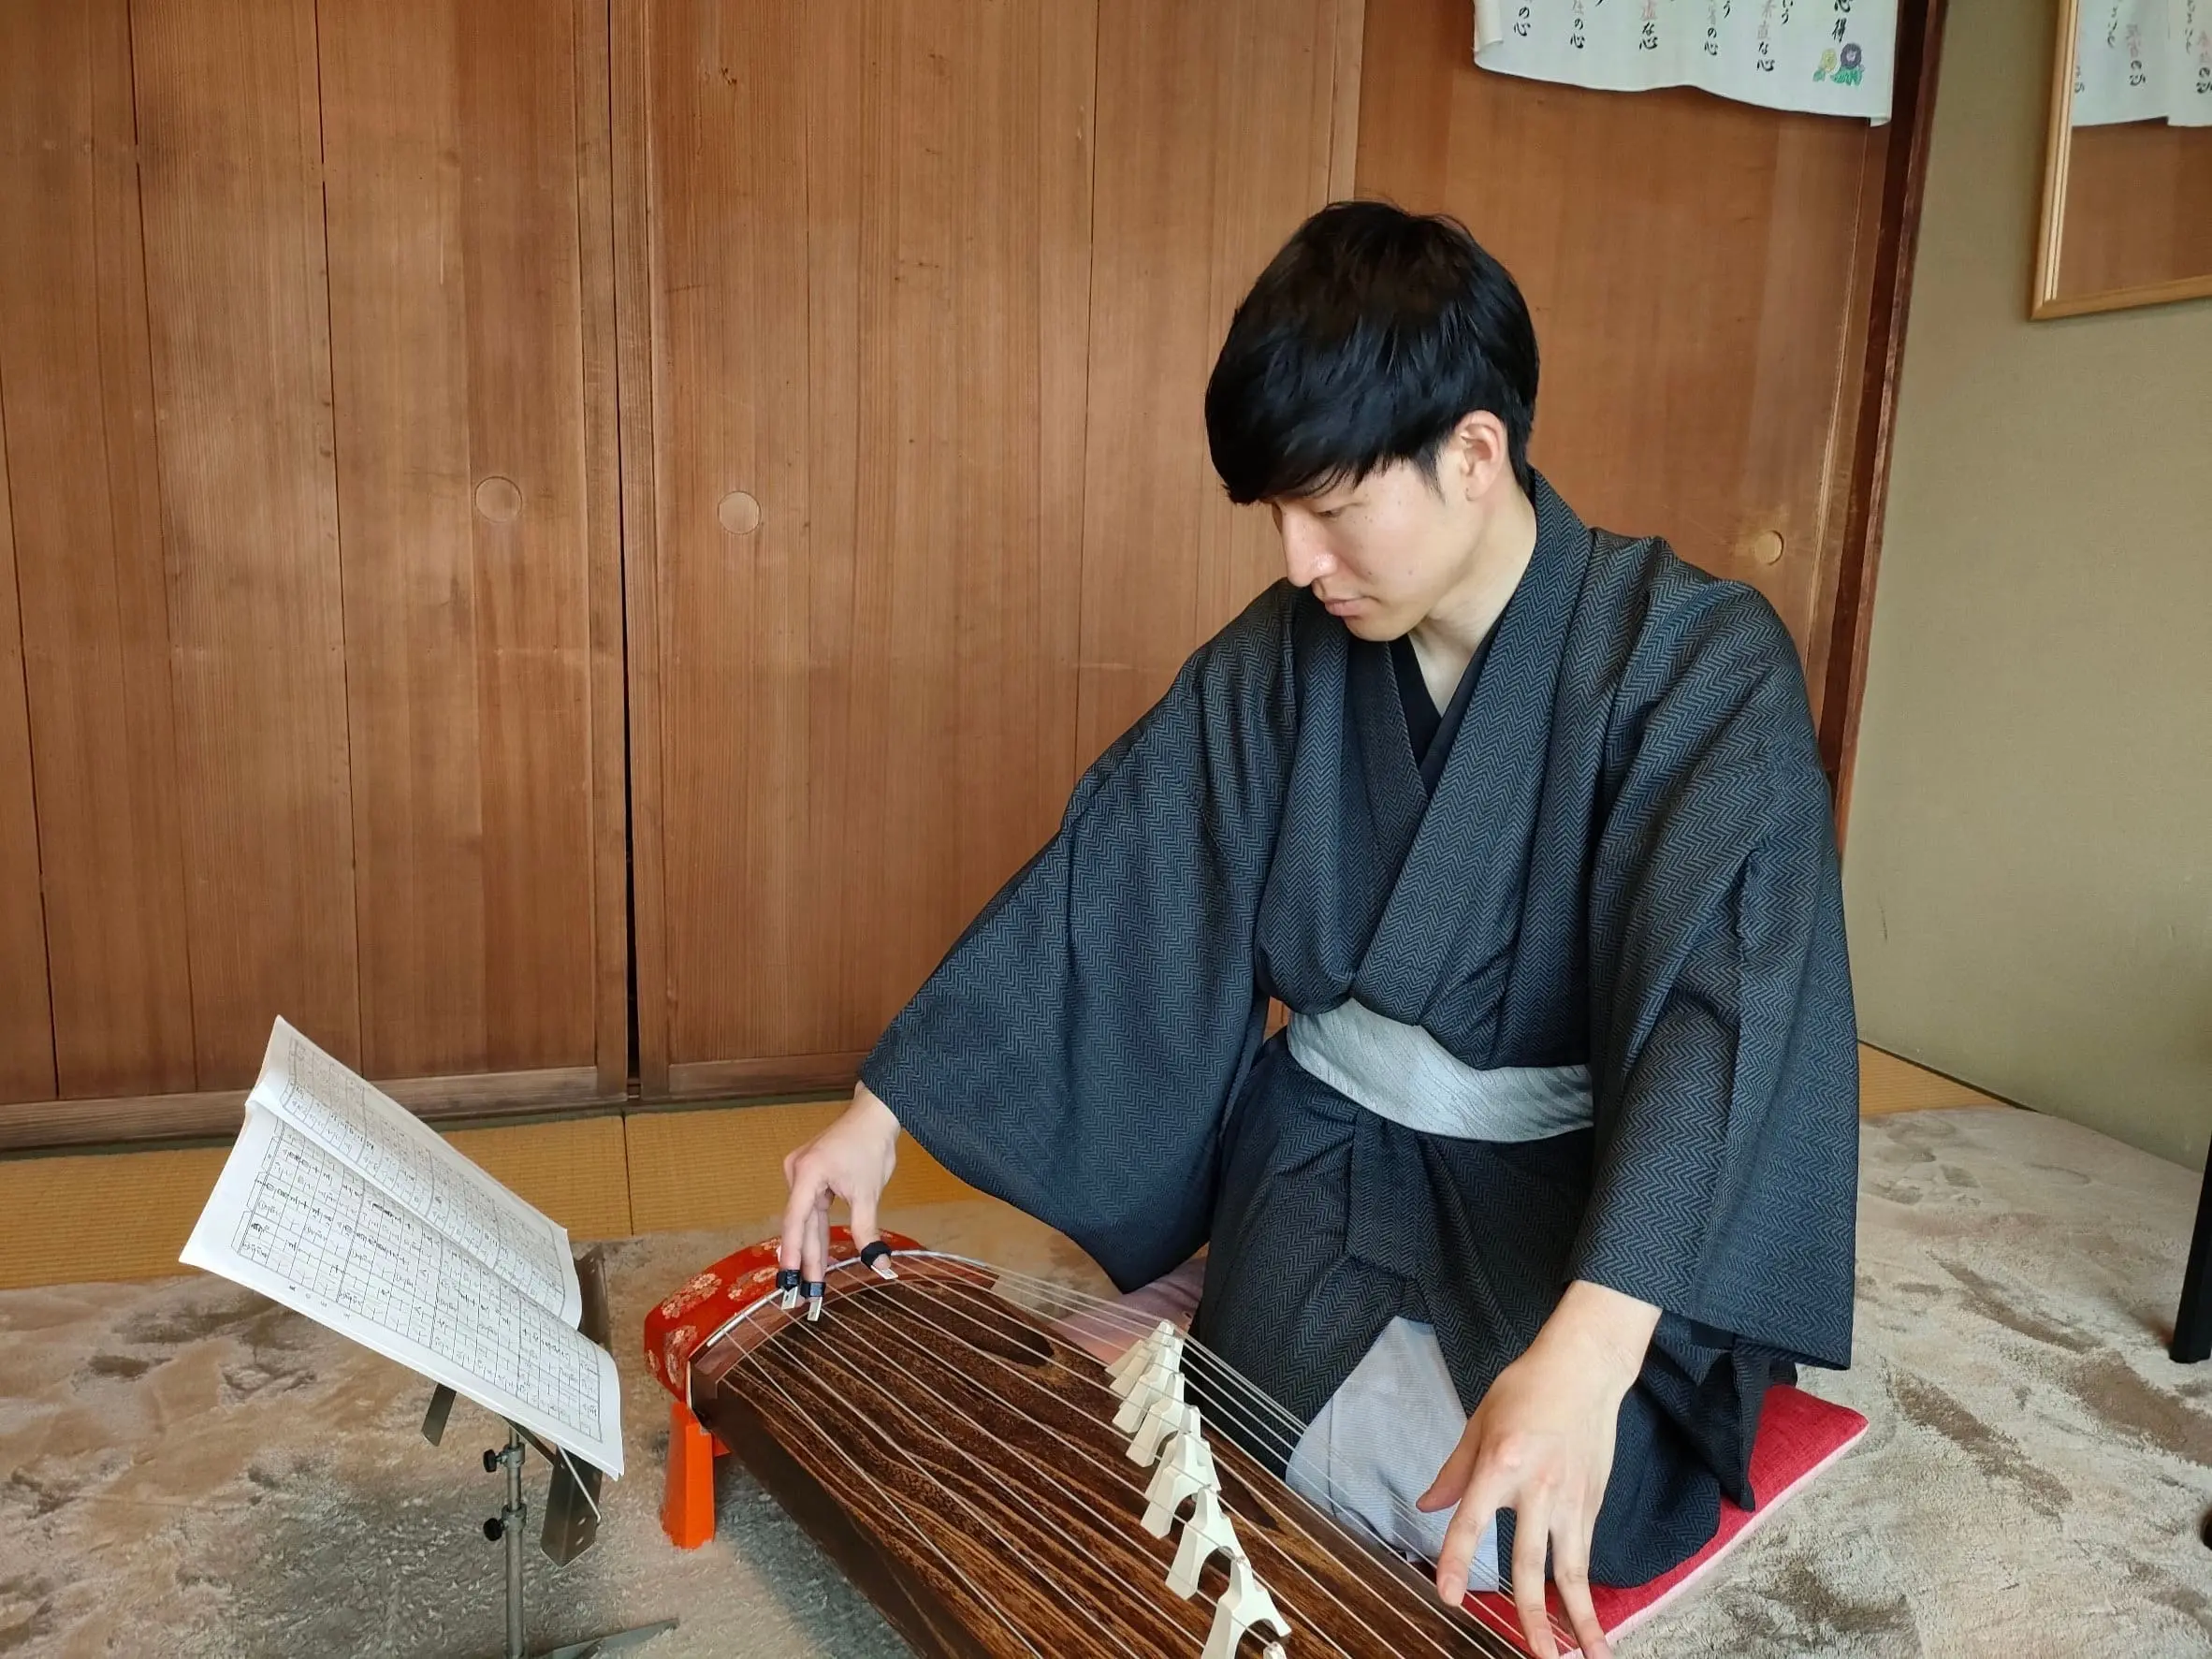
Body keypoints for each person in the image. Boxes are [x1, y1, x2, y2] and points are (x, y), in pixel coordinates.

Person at [778, 199, 1857, 1659]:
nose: (1298, 561)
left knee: (1521, 1493)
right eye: (1277, 515)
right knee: (1304, 1449)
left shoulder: (1693, 663)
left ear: (1473, 454)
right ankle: (1233, 1289)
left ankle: (1299, 1318)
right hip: (1326, 1148)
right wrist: (882, 1113)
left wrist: (1594, 1350)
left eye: (1333, 509)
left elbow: (1719, 1016)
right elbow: (1127, 860)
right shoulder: (1295, 650)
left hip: (1571, 1195)